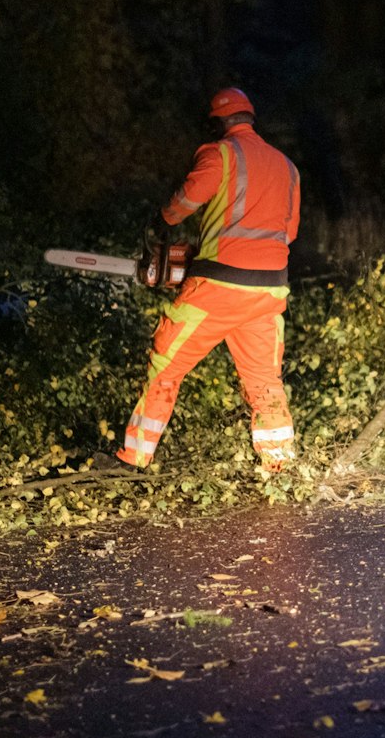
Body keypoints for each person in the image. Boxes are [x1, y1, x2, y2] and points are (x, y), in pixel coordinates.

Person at [116, 87, 301, 472]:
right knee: (265, 380)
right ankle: (280, 468)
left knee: (165, 363)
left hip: (219, 287)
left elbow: (187, 200)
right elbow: (290, 232)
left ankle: (134, 459)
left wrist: (162, 220)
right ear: (250, 118)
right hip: (270, 289)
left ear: (217, 123)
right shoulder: (288, 167)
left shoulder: (220, 154)